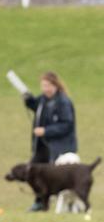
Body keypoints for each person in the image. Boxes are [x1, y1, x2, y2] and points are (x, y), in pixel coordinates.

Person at [22, 72, 77, 210]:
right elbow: (38, 108)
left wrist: (46, 131)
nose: (46, 88)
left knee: (60, 178)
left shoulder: (63, 102)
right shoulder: (43, 99)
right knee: (32, 173)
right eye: (43, 85)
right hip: (42, 146)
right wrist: (28, 100)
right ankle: (40, 201)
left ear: (55, 85)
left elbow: (67, 124)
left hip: (59, 147)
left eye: (48, 85)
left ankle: (68, 204)